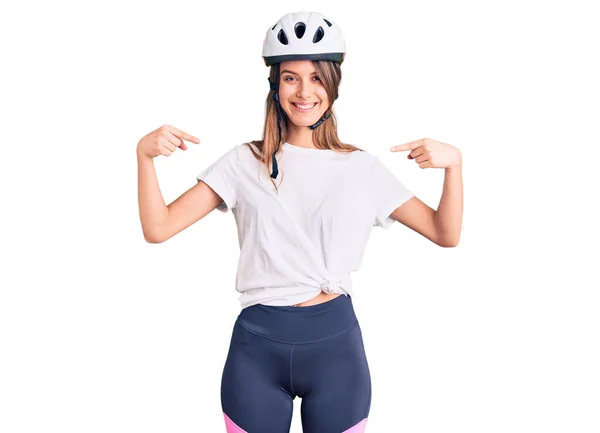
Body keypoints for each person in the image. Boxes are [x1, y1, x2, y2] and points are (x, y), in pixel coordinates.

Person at [137, 10, 463, 433]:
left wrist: (454, 166)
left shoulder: (362, 168)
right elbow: (158, 228)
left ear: (332, 86)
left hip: (336, 352)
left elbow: (445, 233)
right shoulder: (243, 163)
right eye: (291, 77)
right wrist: (144, 157)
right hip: (256, 350)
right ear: (275, 85)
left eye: (315, 78)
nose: (304, 91)